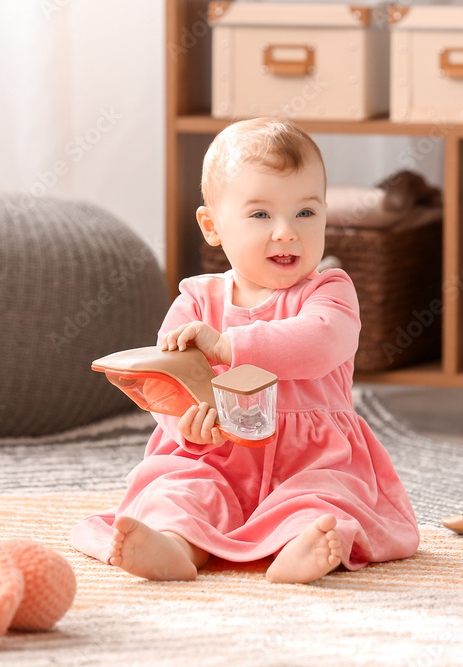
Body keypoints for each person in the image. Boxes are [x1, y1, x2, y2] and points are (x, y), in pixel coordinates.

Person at [71, 117, 420, 584]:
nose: (286, 232)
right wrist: (190, 427)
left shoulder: (330, 292)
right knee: (179, 490)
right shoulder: (195, 301)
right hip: (216, 455)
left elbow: (318, 343)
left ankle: (301, 546)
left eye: (306, 213)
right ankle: (173, 546)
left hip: (310, 458)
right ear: (213, 226)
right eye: (261, 215)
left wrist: (229, 345)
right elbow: (169, 380)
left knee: (325, 500)